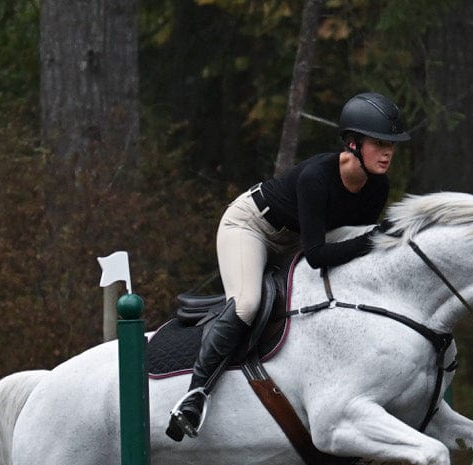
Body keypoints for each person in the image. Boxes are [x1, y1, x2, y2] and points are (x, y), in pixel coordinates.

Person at [166, 91, 411, 441]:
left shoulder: (377, 187)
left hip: (297, 237)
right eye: (379, 143)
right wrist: (375, 238)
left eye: (392, 144)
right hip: (251, 227)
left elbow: (354, 244)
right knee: (248, 304)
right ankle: (194, 395)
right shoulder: (317, 177)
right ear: (353, 143)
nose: (388, 152)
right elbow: (318, 255)